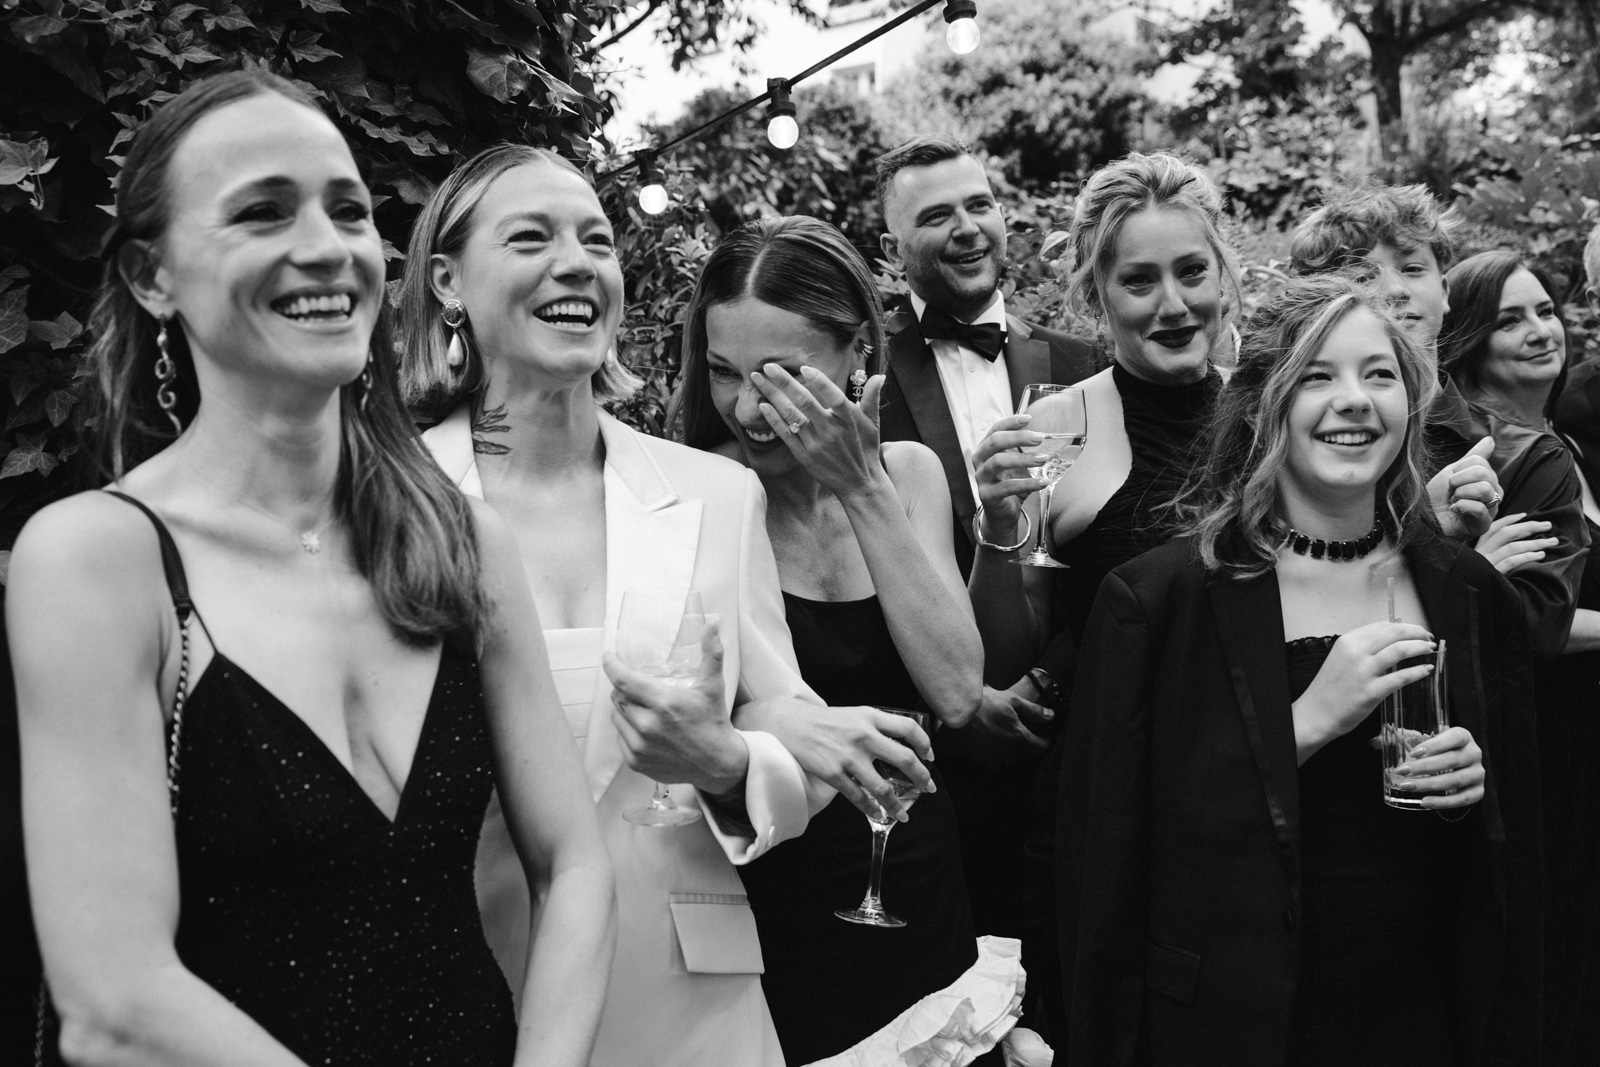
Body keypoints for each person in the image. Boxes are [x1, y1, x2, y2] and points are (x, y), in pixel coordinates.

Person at [9, 71, 614, 1067]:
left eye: (346, 208)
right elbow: (112, 998)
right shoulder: (99, 559)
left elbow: (574, 860)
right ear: (152, 276)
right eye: (261, 211)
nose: (327, 246)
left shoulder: (462, 543)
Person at [400, 145, 934, 1067]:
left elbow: (788, 720)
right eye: (531, 237)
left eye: (597, 240)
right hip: (452, 984)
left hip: (693, 1005)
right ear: (446, 281)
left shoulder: (712, 496)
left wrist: (729, 761)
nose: (577, 262)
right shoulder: (384, 501)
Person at [1058, 274, 1541, 1065]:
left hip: (1420, 1018)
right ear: (1262, 405)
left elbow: (1518, 862)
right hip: (1231, 1025)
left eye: (1378, 374)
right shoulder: (1157, 601)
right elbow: (1113, 853)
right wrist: (1310, 720)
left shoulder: (1470, 590)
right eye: (1318, 376)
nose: (1354, 399)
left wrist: (1469, 785)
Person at [674, 215, 1013, 1065]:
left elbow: (957, 688)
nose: (749, 408)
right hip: (776, 893)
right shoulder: (699, 495)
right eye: (723, 372)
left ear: (857, 349)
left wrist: (861, 486)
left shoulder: (908, 473)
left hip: (920, 877)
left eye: (782, 377)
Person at [963, 152, 1235, 1054]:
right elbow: (1009, 652)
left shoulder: (1271, 419)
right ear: (1098, 293)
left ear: (1224, 274)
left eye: (1192, 271)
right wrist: (1000, 520)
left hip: (1244, 792)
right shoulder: (1052, 427)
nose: (1173, 304)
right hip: (1104, 799)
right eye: (1140, 280)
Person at [872, 134, 1095, 949]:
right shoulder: (867, 381)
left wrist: (1048, 680)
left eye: (979, 205)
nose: (968, 228)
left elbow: (1116, 556)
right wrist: (958, 700)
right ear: (892, 249)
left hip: (1070, 732)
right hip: (928, 760)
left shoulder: (1083, 365)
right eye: (937, 216)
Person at [1293, 182, 1582, 658]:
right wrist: (1464, 564)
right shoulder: (1291, 443)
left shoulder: (1526, 458)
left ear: (1445, 290)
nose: (1393, 289)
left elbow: (1536, 629)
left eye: (1412, 268)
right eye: (1362, 274)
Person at [1438, 249, 1598, 1065]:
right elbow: (1535, 621)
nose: (1540, 330)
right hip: (1547, 735)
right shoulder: (1509, 457)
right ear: (1465, 339)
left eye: (1544, 310)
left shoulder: (1550, 436)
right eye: (1509, 318)